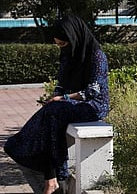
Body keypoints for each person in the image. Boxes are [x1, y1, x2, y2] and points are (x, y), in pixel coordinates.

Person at [3, 15, 110, 194]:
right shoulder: (69, 55)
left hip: (93, 106)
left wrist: (64, 99)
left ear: (73, 38)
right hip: (71, 104)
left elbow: (93, 91)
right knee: (50, 117)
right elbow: (61, 83)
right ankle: (52, 177)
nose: (61, 49)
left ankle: (52, 179)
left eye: (63, 44)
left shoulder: (97, 56)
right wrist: (57, 96)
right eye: (58, 45)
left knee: (52, 113)